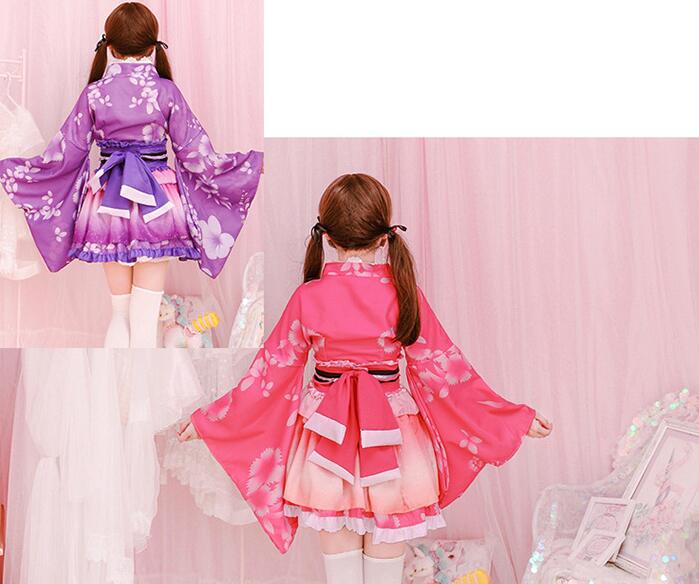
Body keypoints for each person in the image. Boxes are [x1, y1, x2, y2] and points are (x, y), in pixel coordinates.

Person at [179, 173, 552, 584]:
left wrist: (212, 421)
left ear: (327, 237)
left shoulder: (309, 297)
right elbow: (445, 370)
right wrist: (509, 418)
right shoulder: (403, 293)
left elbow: (269, 373)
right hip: (395, 444)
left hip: (324, 443)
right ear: (383, 237)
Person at [0, 2, 262, 347]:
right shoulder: (166, 92)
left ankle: (115, 384)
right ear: (153, 46)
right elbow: (196, 154)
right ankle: (142, 386)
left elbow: (65, 154)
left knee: (119, 313)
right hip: (158, 204)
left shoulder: (94, 93)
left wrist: (16, 172)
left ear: (109, 46)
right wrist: (246, 167)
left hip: (106, 203)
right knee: (145, 314)